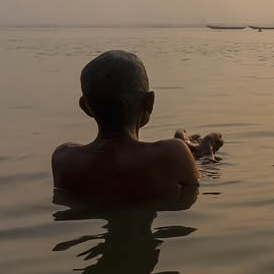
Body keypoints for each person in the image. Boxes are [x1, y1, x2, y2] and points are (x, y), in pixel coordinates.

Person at [52, 50, 223, 202]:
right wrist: (207, 152)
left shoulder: (65, 159)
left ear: (85, 107)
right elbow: (194, 188)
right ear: (149, 102)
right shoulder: (174, 154)